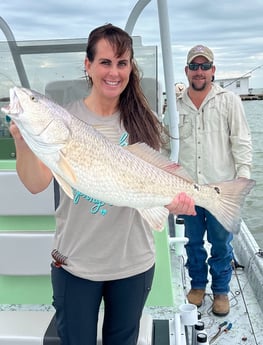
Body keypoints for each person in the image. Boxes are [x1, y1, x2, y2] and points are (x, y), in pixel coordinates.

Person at [9, 24, 196, 345]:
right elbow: (36, 184)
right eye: (105, 62)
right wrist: (23, 141)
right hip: (75, 264)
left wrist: (174, 200)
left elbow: (158, 181)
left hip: (133, 263)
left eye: (122, 63)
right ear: (88, 65)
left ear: (130, 68)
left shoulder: (144, 118)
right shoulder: (64, 120)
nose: (114, 72)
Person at [176, 44, 253, 316]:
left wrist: (242, 179)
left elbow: (241, 142)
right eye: (194, 66)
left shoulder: (229, 101)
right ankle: (198, 285)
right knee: (193, 242)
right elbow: (164, 145)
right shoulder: (174, 105)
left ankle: (221, 290)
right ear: (186, 71)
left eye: (204, 66)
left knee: (221, 244)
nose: (199, 72)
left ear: (213, 70)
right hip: (189, 191)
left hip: (222, 191)